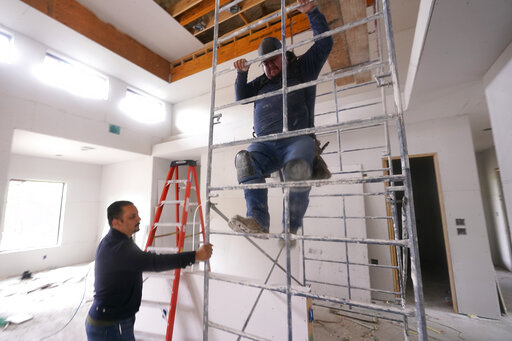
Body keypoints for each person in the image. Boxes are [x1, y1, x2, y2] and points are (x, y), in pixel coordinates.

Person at [228, 0, 333, 237]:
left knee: (297, 170)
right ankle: (257, 219)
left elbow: (325, 42)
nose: (270, 66)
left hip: (297, 139)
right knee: (244, 160)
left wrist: (312, 13)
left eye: (274, 59)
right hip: (265, 144)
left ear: (285, 56)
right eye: (265, 63)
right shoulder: (263, 82)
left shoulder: (302, 68)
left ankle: (291, 224)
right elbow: (242, 98)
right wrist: (241, 75)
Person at [85, 200, 213, 340]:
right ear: (116, 223)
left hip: (115, 320)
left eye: (137, 215)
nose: (139, 219)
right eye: (132, 217)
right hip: (110, 325)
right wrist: (195, 256)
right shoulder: (119, 248)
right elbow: (155, 262)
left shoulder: (116, 241)